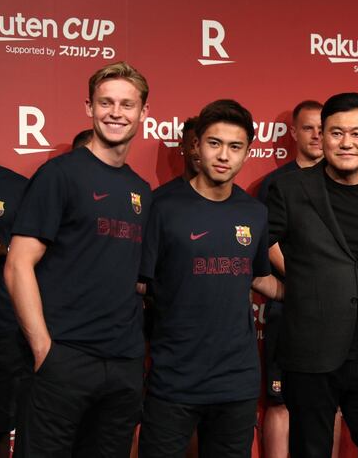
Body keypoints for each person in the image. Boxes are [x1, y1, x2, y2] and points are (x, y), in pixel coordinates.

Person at [5, 61, 151, 457]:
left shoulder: (141, 190)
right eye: (106, 103)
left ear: (143, 113)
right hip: (64, 357)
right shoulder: (60, 174)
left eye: (126, 104)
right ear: (89, 107)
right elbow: (18, 263)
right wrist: (43, 350)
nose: (116, 113)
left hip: (122, 363)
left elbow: (132, 277)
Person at [137, 100, 282, 457]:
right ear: (197, 145)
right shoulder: (162, 207)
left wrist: (315, 294)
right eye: (214, 143)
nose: (223, 155)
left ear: (248, 152)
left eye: (235, 147)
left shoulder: (255, 212)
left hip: (237, 381)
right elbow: (139, 284)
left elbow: (259, 277)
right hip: (174, 377)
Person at [266, 92, 358, 458]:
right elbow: (254, 251)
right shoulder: (290, 189)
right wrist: (281, 290)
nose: (347, 143)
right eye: (336, 133)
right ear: (321, 137)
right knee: (310, 451)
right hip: (310, 352)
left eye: (357, 134)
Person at [256, 99, 324, 458]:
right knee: (280, 401)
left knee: (331, 400)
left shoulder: (341, 179)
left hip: (336, 312)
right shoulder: (277, 183)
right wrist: (308, 280)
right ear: (293, 132)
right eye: (308, 128)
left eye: (321, 127)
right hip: (292, 306)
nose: (316, 135)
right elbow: (267, 243)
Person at [0, 166, 28, 458]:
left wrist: (4, 249)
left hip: (5, 327)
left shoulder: (17, 186)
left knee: (6, 420)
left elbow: (34, 252)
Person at [151, 116, 200, 199]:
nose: (199, 152)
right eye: (193, 145)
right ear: (182, 148)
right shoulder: (161, 197)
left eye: (204, 146)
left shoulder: (226, 196)